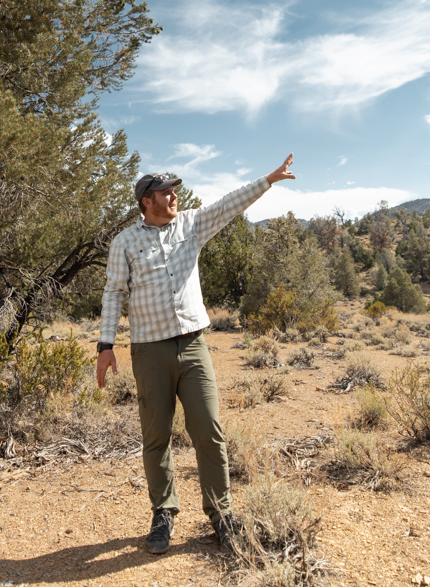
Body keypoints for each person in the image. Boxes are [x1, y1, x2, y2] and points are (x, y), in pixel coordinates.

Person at [96, 153, 297, 555]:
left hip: (193, 345)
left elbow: (227, 204)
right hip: (149, 350)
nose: (174, 196)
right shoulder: (125, 242)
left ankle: (221, 515)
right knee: (156, 436)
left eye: (174, 191)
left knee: (209, 430)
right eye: (165, 192)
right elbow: (114, 292)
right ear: (145, 201)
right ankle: (163, 513)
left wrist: (268, 180)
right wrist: (105, 345)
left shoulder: (191, 225)